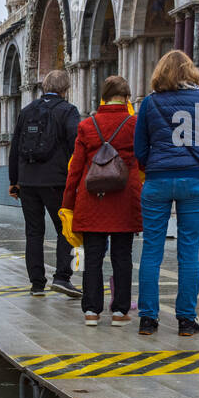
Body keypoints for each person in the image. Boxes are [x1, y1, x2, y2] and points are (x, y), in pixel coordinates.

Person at [133, 50, 199, 337]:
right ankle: (186, 321)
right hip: (194, 181)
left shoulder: (148, 103)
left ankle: (148, 320)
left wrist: (154, 167)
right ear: (190, 71)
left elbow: (139, 149)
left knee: (151, 251)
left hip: (157, 181)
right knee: (188, 254)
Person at [62, 76, 141, 327]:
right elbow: (142, 163)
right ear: (127, 97)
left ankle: (91, 311)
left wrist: (67, 204)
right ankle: (119, 311)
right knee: (122, 256)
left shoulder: (86, 126)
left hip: (92, 199)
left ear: (103, 97)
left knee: (93, 256)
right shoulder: (134, 124)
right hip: (124, 200)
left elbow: (75, 168)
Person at [10, 69, 81, 298]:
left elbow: (15, 149)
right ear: (65, 89)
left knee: (33, 232)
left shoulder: (26, 111)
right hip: (57, 180)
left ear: (44, 88)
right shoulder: (68, 111)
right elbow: (76, 146)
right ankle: (62, 277)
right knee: (64, 229)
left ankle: (37, 284)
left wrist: (14, 181)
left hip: (28, 181)